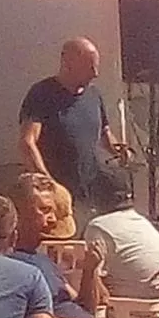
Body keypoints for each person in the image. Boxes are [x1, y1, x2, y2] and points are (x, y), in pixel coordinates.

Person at [19, 38, 123, 217]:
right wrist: (48, 183)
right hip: (60, 198)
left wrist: (118, 150)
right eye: (90, 67)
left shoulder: (94, 95)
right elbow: (27, 142)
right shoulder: (42, 94)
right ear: (68, 64)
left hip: (93, 195)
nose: (96, 73)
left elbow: (105, 133)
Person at [9, 173, 98, 318]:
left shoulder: (43, 260)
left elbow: (85, 309)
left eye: (53, 212)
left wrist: (89, 271)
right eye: (44, 210)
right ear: (18, 212)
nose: (53, 219)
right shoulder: (12, 265)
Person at [80, 166, 159, 300]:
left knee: (85, 273)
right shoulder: (140, 220)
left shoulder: (98, 226)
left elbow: (94, 271)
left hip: (136, 294)